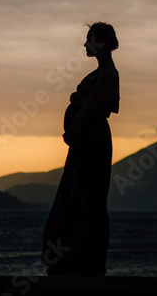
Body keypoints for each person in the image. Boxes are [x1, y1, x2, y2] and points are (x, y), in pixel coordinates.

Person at [42, 22, 120, 276]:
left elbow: (93, 107)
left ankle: (86, 259)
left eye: (89, 39)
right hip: (87, 138)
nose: (85, 45)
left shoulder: (107, 74)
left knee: (88, 196)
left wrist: (72, 130)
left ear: (99, 42)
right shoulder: (102, 71)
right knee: (79, 194)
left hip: (91, 140)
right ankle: (74, 257)